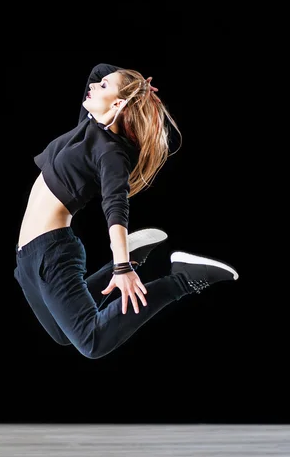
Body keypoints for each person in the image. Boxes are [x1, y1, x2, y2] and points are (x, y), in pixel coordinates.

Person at [14, 63, 238, 359]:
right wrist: (138, 87)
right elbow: (98, 71)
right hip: (27, 256)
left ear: (117, 103)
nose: (94, 86)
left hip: (52, 253)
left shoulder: (112, 153)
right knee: (61, 334)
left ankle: (181, 279)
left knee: (91, 342)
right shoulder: (90, 123)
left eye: (104, 87)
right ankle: (130, 254)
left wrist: (122, 269)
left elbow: (116, 208)